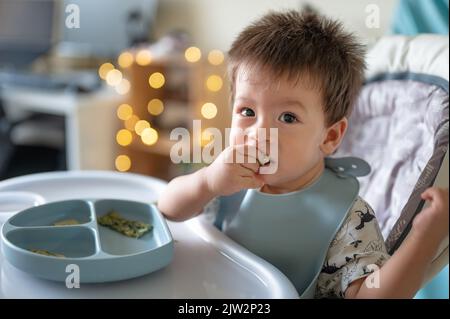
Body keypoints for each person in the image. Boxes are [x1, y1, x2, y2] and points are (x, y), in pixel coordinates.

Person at [158, 11, 449, 298]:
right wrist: (207, 182)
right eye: (247, 111)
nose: (259, 132)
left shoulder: (346, 217)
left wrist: (423, 240)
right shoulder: (227, 177)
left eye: (287, 117)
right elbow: (168, 209)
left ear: (330, 136)